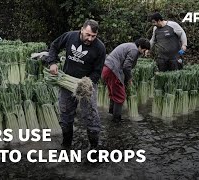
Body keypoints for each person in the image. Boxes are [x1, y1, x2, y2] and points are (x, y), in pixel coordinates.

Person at [47, 19, 106, 150]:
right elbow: (54, 46)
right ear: (82, 29)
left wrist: (87, 83)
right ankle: (66, 144)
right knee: (65, 114)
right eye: (87, 34)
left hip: (86, 86)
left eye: (93, 36)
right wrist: (52, 62)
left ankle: (94, 148)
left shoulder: (100, 48)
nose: (90, 39)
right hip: (66, 82)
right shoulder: (70, 36)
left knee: (91, 116)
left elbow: (97, 72)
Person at [102, 38, 151, 122]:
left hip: (107, 69)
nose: (144, 52)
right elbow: (126, 67)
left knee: (114, 94)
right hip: (113, 70)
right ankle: (116, 121)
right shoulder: (134, 50)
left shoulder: (130, 46)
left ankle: (111, 114)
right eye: (144, 49)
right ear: (140, 46)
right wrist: (129, 79)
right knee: (120, 96)